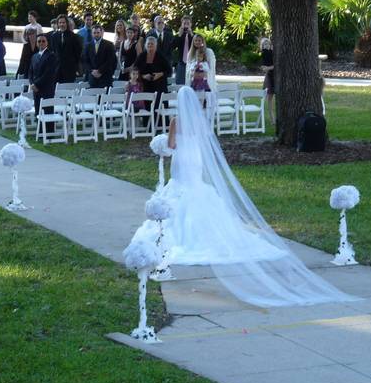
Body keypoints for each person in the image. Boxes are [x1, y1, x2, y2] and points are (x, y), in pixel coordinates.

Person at [129, 86, 357, 308]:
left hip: (182, 159)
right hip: (195, 159)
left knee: (179, 187)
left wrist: (163, 146)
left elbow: (171, 145)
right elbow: (204, 143)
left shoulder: (176, 122)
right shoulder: (199, 122)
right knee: (197, 188)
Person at [28, 32, 58, 115]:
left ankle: (48, 128)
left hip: (46, 89)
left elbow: (48, 74)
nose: (41, 43)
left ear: (47, 42)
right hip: (36, 89)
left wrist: (36, 84)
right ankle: (39, 128)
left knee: (47, 112)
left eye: (43, 41)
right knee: (38, 112)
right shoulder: (34, 56)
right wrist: (32, 84)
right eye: (39, 41)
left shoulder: (51, 56)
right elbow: (30, 72)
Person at [135, 35, 170, 101]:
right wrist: (143, 76)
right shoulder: (141, 56)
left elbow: (169, 71)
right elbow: (134, 71)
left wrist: (160, 74)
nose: (150, 45)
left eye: (152, 44)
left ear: (156, 45)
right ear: (145, 45)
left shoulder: (161, 56)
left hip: (159, 87)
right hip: (144, 87)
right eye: (148, 44)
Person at [82, 24, 117, 89]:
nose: (96, 34)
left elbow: (111, 60)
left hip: (105, 76)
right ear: (92, 34)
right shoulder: (88, 45)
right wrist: (92, 71)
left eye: (98, 32)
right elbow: (85, 61)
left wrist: (100, 71)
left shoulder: (109, 45)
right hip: (92, 77)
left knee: (104, 98)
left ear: (101, 33)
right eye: (94, 33)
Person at [50, 14, 82, 84]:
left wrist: (75, 67)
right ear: (58, 24)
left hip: (69, 70)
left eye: (63, 22)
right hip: (56, 69)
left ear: (67, 23)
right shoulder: (54, 36)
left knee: (67, 90)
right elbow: (53, 52)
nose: (62, 24)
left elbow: (78, 54)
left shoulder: (74, 37)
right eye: (60, 23)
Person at [172, 15, 194, 86]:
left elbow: (195, 46)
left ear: (191, 24)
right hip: (181, 62)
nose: (186, 25)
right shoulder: (179, 35)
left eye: (188, 23)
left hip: (192, 62)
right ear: (182, 24)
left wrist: (191, 35)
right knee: (180, 84)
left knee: (191, 83)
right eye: (184, 23)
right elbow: (173, 46)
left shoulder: (194, 36)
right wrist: (179, 35)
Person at [260, 37, 275, 126]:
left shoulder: (273, 53)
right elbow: (263, 67)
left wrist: (269, 68)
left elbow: (276, 65)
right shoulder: (264, 54)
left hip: (275, 76)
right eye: (264, 44)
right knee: (269, 98)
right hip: (269, 77)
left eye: (267, 44)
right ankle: (272, 118)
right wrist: (266, 68)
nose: (266, 46)